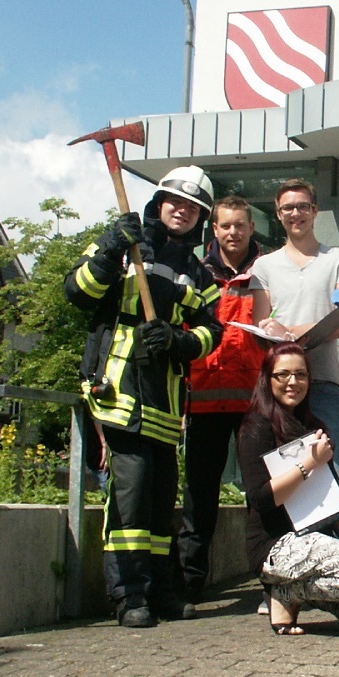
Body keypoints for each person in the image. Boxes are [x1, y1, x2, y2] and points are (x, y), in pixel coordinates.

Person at [65, 166, 223, 628]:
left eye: (193, 207)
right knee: (131, 496)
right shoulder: (125, 244)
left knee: (159, 500)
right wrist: (113, 246)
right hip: (117, 388)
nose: (183, 211)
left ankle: (162, 591)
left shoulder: (197, 272)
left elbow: (212, 331)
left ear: (201, 218)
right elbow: (78, 292)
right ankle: (129, 595)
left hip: (165, 401)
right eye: (176, 201)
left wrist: (178, 341)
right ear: (159, 202)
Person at [238, 343, 339, 635]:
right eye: (282, 375)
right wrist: (310, 462)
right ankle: (283, 591)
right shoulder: (255, 426)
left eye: (300, 374)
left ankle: (290, 592)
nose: (292, 382)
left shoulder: (314, 426)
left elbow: (335, 495)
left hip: (317, 535)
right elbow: (261, 498)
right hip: (276, 544)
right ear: (267, 380)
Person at [177, 194, 266, 602]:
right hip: (204, 401)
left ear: (251, 228)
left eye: (240, 225)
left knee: (261, 496)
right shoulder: (194, 270)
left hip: (253, 402)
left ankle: (272, 581)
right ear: (214, 229)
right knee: (200, 497)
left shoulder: (267, 271)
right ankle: (189, 584)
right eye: (225, 225)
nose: (233, 232)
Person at [252, 178, 339, 480]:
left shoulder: (338, 258)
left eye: (302, 206)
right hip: (280, 383)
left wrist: (288, 330)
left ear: (315, 211)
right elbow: (262, 327)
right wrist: (283, 332)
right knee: (284, 469)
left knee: (333, 468)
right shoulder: (264, 267)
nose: (295, 213)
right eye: (287, 208)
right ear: (278, 214)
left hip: (323, 380)